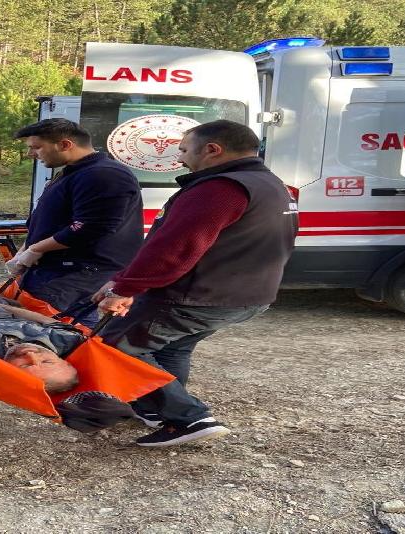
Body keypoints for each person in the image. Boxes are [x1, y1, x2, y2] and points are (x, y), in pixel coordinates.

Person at [94, 120, 299, 447]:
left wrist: (124, 289)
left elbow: (175, 247)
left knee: (115, 347)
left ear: (212, 150)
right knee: (171, 347)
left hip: (199, 295)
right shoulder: (271, 184)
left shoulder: (220, 188)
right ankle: (155, 408)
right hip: (247, 295)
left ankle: (188, 418)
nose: (180, 158)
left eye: (185, 150)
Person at [0, 291, 136, 431]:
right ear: (66, 361)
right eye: (47, 362)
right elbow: (36, 316)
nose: (31, 355)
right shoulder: (66, 340)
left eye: (25, 366)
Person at [6, 119, 144, 326]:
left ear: (65, 144)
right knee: (70, 328)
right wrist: (26, 249)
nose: (31, 154)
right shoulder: (75, 172)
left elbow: (91, 227)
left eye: (36, 148)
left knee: (45, 329)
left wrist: (36, 248)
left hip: (77, 272)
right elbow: (57, 220)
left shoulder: (104, 174)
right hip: (60, 268)